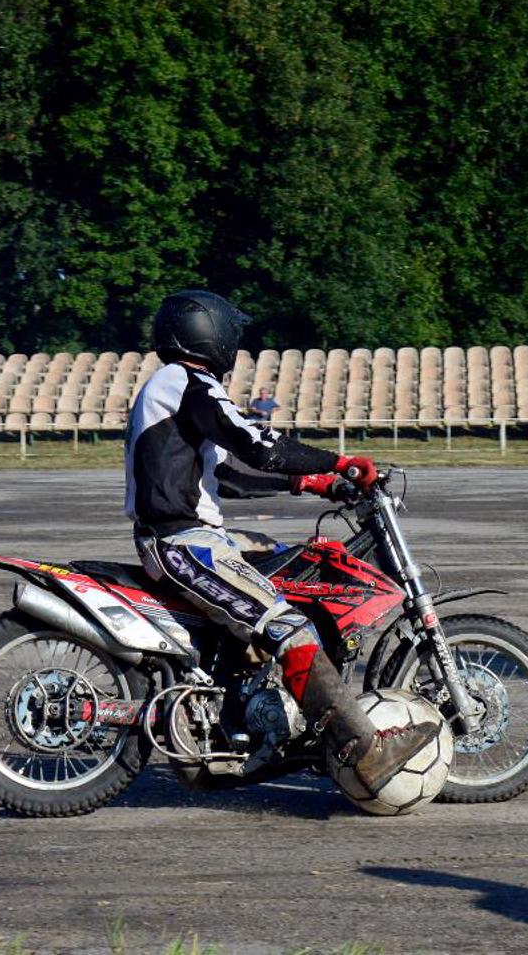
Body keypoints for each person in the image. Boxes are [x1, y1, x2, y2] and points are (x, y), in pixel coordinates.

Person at [125, 289, 438, 795]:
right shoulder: (186, 382)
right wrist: (335, 463)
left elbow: (229, 476)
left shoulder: (175, 389)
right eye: (230, 333)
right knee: (289, 627)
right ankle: (365, 750)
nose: (234, 344)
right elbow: (257, 445)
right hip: (182, 542)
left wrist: (308, 483)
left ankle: (238, 709)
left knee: (282, 564)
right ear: (206, 333)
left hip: (192, 536)